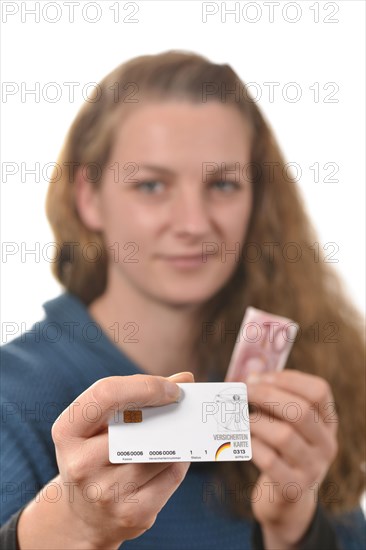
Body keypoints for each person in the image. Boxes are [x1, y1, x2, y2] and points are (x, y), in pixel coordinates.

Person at [1, 50, 365, 550]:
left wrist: (295, 531)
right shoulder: (11, 402)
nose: (194, 223)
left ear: (256, 199)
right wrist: (67, 529)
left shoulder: (308, 384)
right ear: (88, 198)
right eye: (151, 185)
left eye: (222, 184)